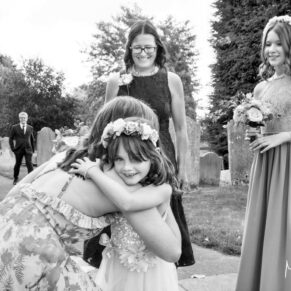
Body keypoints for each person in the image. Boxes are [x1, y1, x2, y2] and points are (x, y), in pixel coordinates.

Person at [0, 97, 180, 290]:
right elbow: (172, 251)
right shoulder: (121, 181)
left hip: (5, 226)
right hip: (30, 249)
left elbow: (15, 192)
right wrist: (163, 197)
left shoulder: (69, 156)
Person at [104, 19, 194, 267]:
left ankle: (162, 271)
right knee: (126, 216)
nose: (143, 52)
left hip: (161, 156)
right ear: (129, 49)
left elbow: (180, 128)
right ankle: (125, 267)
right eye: (137, 48)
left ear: (158, 48)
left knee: (163, 214)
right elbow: (105, 123)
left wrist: (182, 168)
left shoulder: (171, 80)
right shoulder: (117, 82)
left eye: (149, 47)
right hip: (125, 157)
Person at [71, 117, 180, 291]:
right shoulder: (117, 184)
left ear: (154, 156)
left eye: (136, 159)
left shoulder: (162, 189)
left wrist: (93, 171)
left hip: (150, 275)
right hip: (116, 266)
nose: (127, 168)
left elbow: (128, 202)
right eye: (119, 159)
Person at [235, 15, 291, 291]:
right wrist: (254, 134)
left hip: (288, 164)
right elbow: (263, 124)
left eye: (278, 43)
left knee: (285, 226)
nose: (272, 49)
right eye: (268, 43)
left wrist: (283, 136)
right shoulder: (262, 87)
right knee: (263, 225)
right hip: (266, 164)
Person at [9, 111, 34, 185]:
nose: (23, 119)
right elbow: (11, 138)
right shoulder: (14, 127)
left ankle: (31, 179)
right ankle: (15, 178)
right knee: (18, 164)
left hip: (28, 149)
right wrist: (13, 149)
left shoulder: (30, 128)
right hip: (18, 150)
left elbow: (32, 139)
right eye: (21, 118)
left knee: (29, 164)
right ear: (19, 118)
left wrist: (32, 149)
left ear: (27, 118)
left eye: (24, 118)